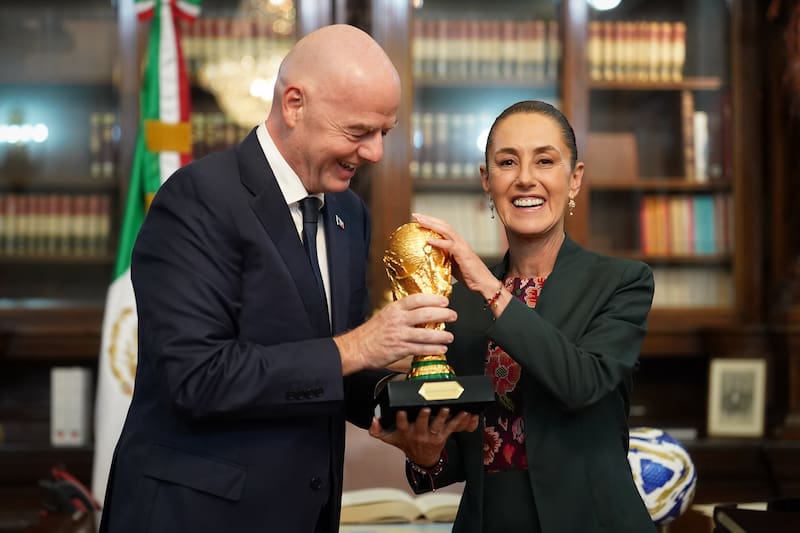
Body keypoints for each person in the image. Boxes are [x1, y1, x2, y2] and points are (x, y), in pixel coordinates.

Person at [98, 24, 472, 533]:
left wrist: (403, 407)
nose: (375, 153)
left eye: (385, 133)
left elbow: (335, 369)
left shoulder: (349, 213)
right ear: (294, 104)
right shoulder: (197, 199)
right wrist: (361, 346)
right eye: (358, 132)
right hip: (197, 517)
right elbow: (196, 377)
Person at [370, 100, 657, 533]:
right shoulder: (457, 299)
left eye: (545, 161)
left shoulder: (621, 282)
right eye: (507, 162)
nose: (525, 178)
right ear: (487, 181)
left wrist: (491, 288)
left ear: (574, 178)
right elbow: (461, 444)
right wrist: (427, 454)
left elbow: (581, 383)